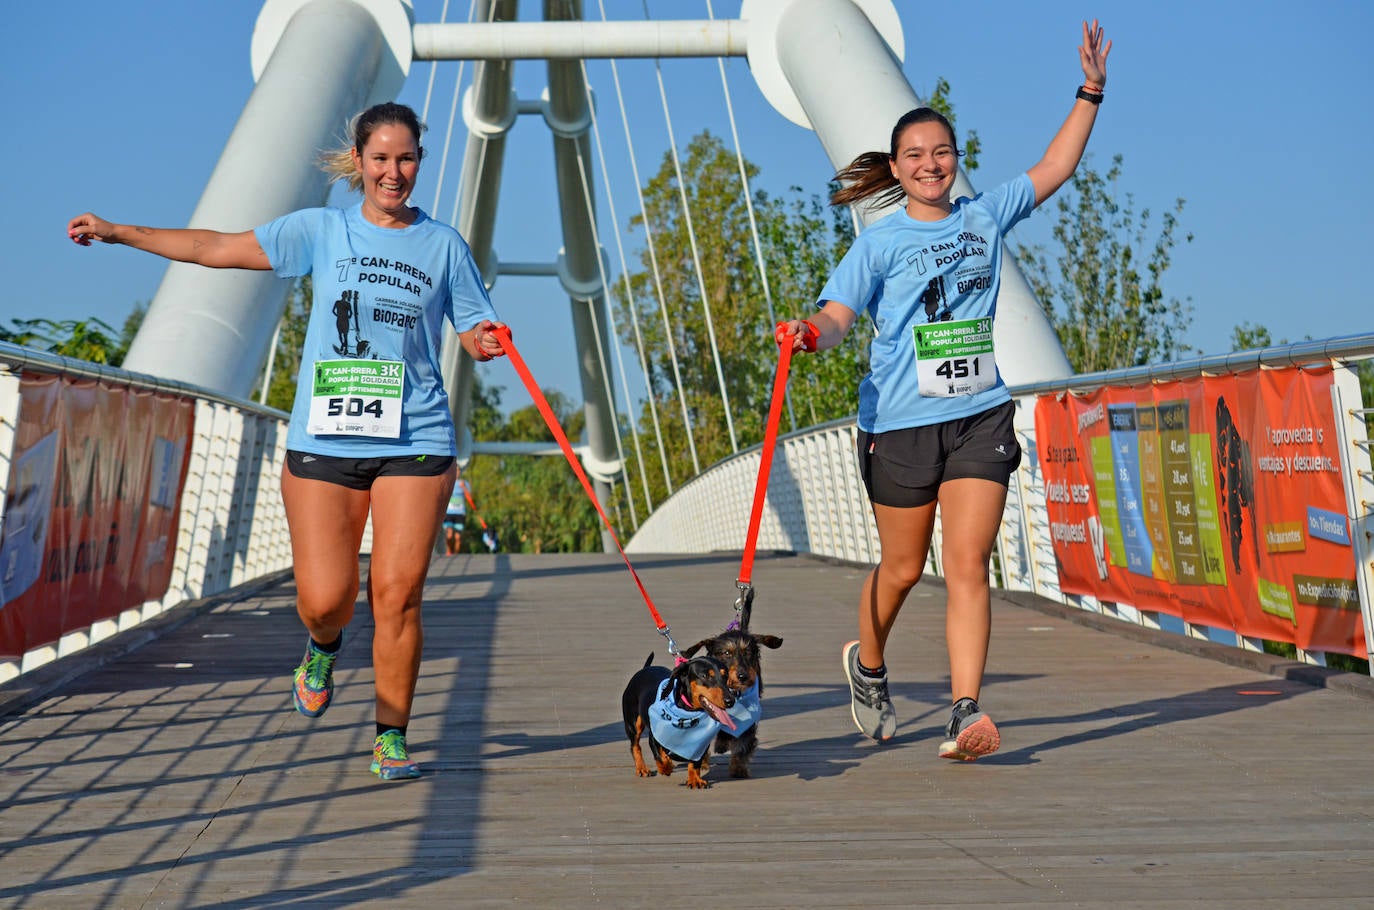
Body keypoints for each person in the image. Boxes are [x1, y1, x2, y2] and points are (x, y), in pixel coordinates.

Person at [67, 101, 508, 781]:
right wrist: (121, 232)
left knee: (398, 592)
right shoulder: (321, 231)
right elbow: (213, 249)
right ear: (359, 163)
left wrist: (486, 341)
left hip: (415, 438)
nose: (395, 172)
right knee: (326, 599)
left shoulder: (443, 246)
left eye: (407, 158)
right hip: (326, 440)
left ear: (421, 160)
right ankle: (322, 645)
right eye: (382, 159)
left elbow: (477, 330)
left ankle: (391, 738)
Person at [778, 21, 1111, 761]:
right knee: (901, 568)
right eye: (916, 156)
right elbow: (836, 316)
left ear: (957, 162)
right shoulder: (879, 242)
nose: (931, 165)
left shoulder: (985, 217)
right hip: (899, 424)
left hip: (977, 416)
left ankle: (966, 712)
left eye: (942, 153)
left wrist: (1090, 91)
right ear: (895, 169)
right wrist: (808, 333)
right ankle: (868, 663)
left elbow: (1055, 167)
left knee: (968, 564)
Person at [443, 477, 469, 554]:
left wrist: (464, 487)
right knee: (449, 536)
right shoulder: (447, 480)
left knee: (458, 538)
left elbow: (469, 497)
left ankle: (456, 554)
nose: (457, 472)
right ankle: (449, 550)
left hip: (460, 513)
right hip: (449, 513)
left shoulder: (464, 483)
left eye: (458, 470)